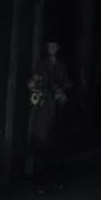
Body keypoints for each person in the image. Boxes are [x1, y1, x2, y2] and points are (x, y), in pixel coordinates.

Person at [27, 40, 72, 171]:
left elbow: (66, 82)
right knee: (41, 130)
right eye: (49, 46)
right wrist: (35, 83)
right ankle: (39, 162)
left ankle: (52, 163)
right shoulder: (41, 64)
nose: (51, 48)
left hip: (56, 103)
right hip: (44, 102)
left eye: (53, 46)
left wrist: (62, 91)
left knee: (54, 131)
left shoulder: (61, 66)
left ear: (57, 48)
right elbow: (33, 82)